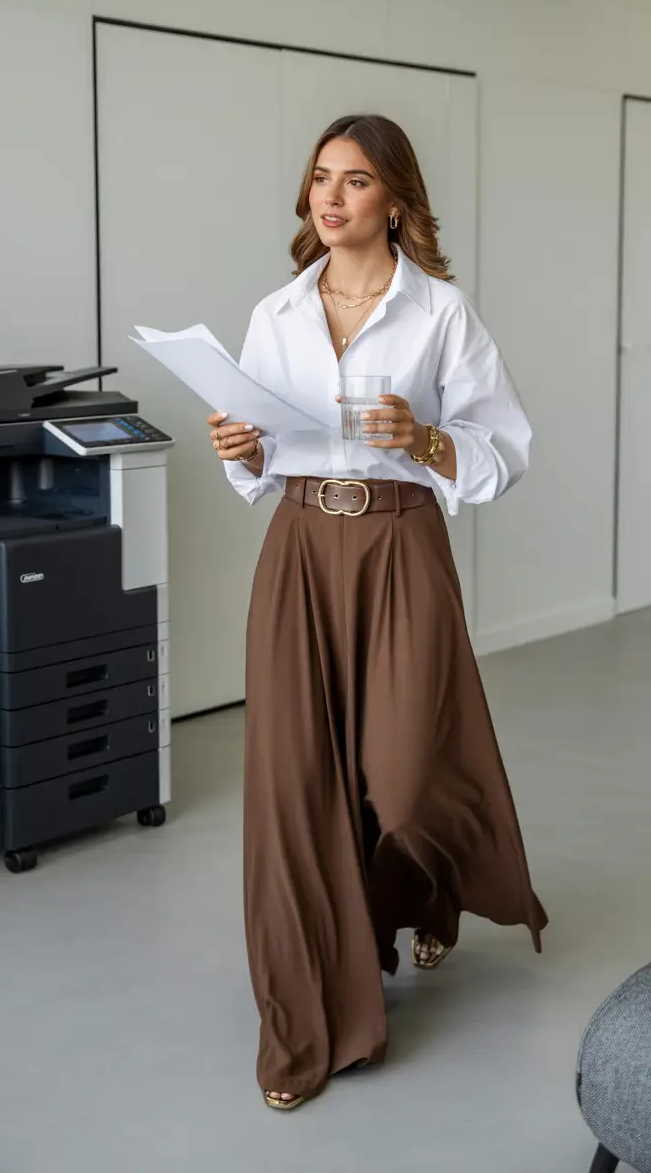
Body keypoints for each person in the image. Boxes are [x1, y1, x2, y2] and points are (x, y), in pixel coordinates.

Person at [206, 113, 547, 1112]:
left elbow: (504, 451)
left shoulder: (439, 312)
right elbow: (254, 465)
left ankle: (422, 887)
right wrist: (241, 451)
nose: (331, 195)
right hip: (302, 549)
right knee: (295, 788)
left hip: (401, 544)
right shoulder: (274, 313)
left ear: (393, 198)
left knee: (401, 779)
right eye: (320, 177)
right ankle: (312, 1023)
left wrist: (429, 440)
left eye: (354, 181)